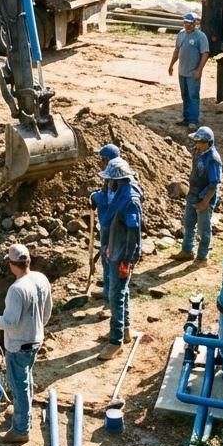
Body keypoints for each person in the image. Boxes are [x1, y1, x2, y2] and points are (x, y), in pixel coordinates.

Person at [0, 243, 52, 445]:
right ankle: (24, 416)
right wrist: (36, 328)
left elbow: (9, 321)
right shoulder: (40, 279)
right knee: (26, 380)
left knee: (19, 387)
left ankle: (20, 430)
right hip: (35, 340)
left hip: (19, 346)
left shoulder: (16, 289)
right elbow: (47, 311)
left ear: (12, 264)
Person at [97, 157, 144, 361]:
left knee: (116, 295)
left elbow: (134, 233)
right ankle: (124, 331)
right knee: (121, 292)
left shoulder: (129, 200)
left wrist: (127, 258)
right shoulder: (119, 194)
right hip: (115, 249)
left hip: (122, 254)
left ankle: (115, 342)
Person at [172, 126, 223, 267]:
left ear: (207, 142)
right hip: (193, 193)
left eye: (199, 142)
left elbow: (214, 184)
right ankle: (187, 250)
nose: (196, 144)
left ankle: (202, 257)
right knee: (188, 223)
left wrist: (205, 202)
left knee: (203, 228)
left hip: (204, 196)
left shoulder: (213, 159)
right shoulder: (197, 152)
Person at [90, 143, 121, 303]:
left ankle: (111, 294)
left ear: (107, 160)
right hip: (107, 224)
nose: (99, 163)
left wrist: (96, 198)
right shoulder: (110, 178)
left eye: (101, 159)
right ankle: (107, 290)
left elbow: (110, 202)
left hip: (112, 227)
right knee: (106, 257)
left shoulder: (116, 181)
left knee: (110, 258)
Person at [167, 13, 210, 131]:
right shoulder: (181, 35)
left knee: (193, 96)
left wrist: (199, 70)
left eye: (191, 23)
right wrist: (171, 65)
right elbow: (176, 51)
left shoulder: (200, 36)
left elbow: (205, 53)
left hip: (193, 73)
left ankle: (193, 120)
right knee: (185, 96)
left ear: (195, 23)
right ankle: (186, 118)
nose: (188, 26)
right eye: (186, 23)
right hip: (182, 72)